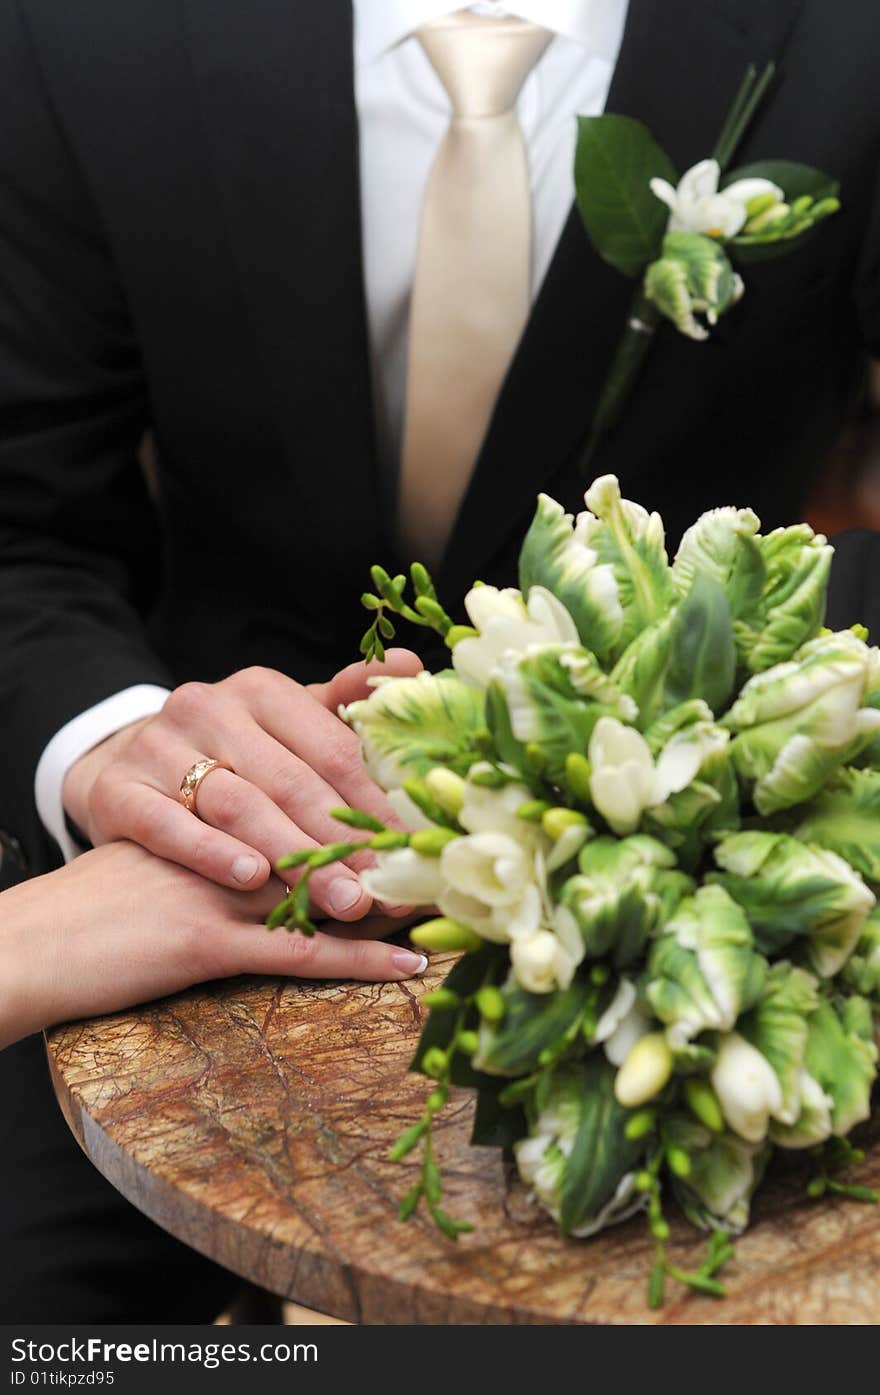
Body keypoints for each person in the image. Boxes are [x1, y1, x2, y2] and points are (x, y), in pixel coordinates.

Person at [0, 0, 879, 1321]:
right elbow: (23, 528)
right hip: (195, 869)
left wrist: (718, 733)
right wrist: (117, 747)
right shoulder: (81, 34)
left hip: (700, 878)